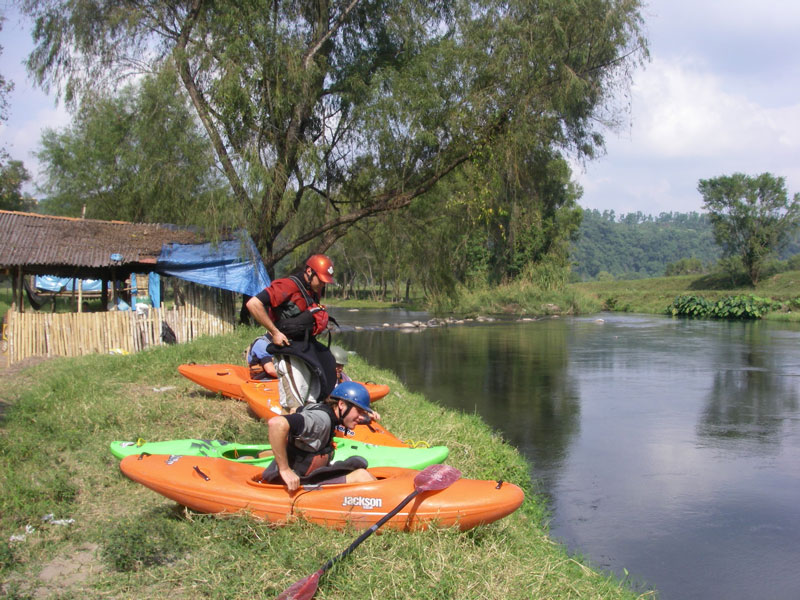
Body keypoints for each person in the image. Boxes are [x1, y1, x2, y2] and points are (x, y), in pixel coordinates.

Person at [263, 381, 377, 491]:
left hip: (308, 476)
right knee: (361, 476)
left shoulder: (323, 410)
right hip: (295, 482)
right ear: (341, 404)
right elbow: (276, 423)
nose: (362, 417)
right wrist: (284, 469)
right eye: (359, 411)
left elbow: (295, 410)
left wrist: (367, 417)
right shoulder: (320, 420)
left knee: (357, 462)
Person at [245, 254, 336, 379]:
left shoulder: (314, 290)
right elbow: (253, 304)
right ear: (309, 272)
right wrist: (275, 332)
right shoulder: (286, 286)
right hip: (286, 346)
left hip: (304, 345)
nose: (323, 285)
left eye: (325, 282)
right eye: (321, 280)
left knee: (328, 363)